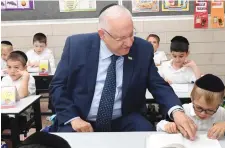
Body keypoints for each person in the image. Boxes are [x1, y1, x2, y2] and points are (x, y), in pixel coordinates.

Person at [50, 5, 197, 140]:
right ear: (102, 34)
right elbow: (57, 86)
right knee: (65, 146)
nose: (129, 43)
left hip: (123, 118)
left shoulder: (142, 49)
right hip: (81, 117)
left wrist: (177, 112)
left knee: (146, 134)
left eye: (131, 34)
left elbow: (158, 85)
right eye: (121, 38)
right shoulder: (77, 46)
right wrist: (74, 118)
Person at [157, 74, 225, 139]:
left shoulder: (221, 112)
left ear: (219, 104)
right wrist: (167, 126)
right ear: (192, 99)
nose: (203, 114)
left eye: (210, 110)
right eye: (199, 108)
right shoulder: (183, 110)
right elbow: (159, 126)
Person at [1, 51, 36, 131]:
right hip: (5, 113)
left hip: (20, 116)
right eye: (9, 67)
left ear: (24, 68)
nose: (12, 71)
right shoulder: (5, 79)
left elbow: (22, 94)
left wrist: (25, 76)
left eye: (16, 67)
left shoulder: (29, 78)